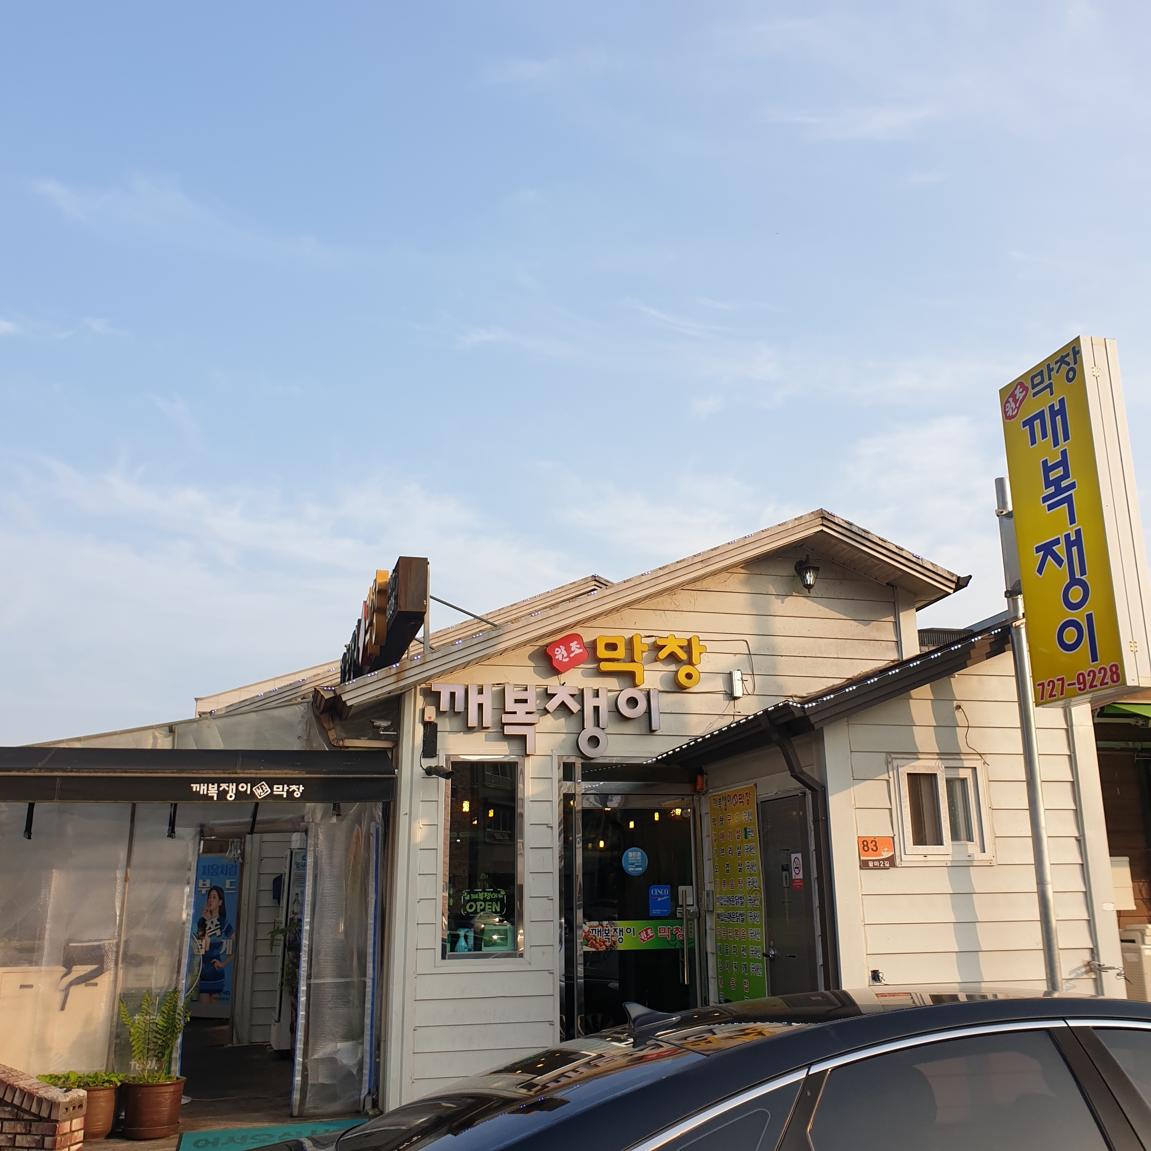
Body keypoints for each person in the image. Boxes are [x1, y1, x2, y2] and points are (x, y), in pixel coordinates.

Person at [194, 885, 234, 1002]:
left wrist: (224, 963)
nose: (210, 900)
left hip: (216, 971)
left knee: (214, 1009)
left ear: (220, 902)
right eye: (209, 897)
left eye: (214, 897)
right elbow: (204, 947)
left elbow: (237, 943)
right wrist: (206, 921)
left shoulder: (223, 922)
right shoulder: (202, 921)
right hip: (203, 972)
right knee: (203, 1007)